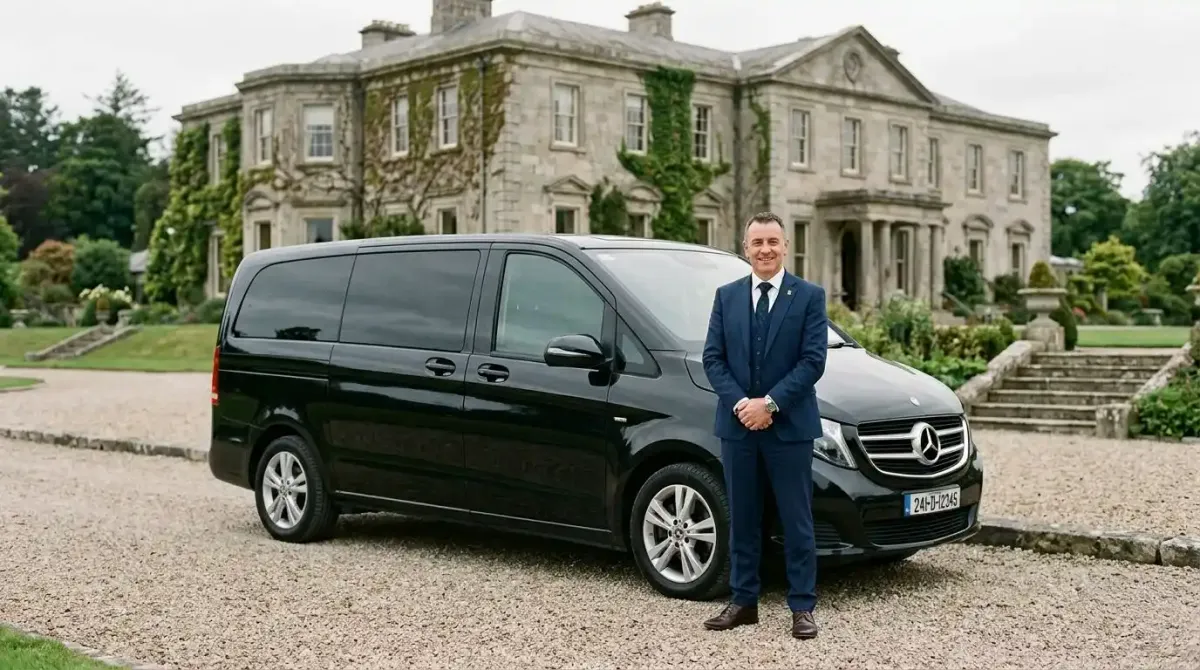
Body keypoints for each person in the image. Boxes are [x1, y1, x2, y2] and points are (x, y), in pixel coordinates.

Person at [700, 211, 828, 640]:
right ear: (746, 248)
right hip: (738, 427)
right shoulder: (726, 296)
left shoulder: (809, 297)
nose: (765, 250)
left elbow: (813, 361)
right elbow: (713, 358)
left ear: (785, 246)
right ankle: (743, 601)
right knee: (743, 518)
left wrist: (770, 405)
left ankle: (802, 606)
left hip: (790, 428)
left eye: (773, 241)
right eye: (757, 242)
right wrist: (742, 405)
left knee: (797, 520)